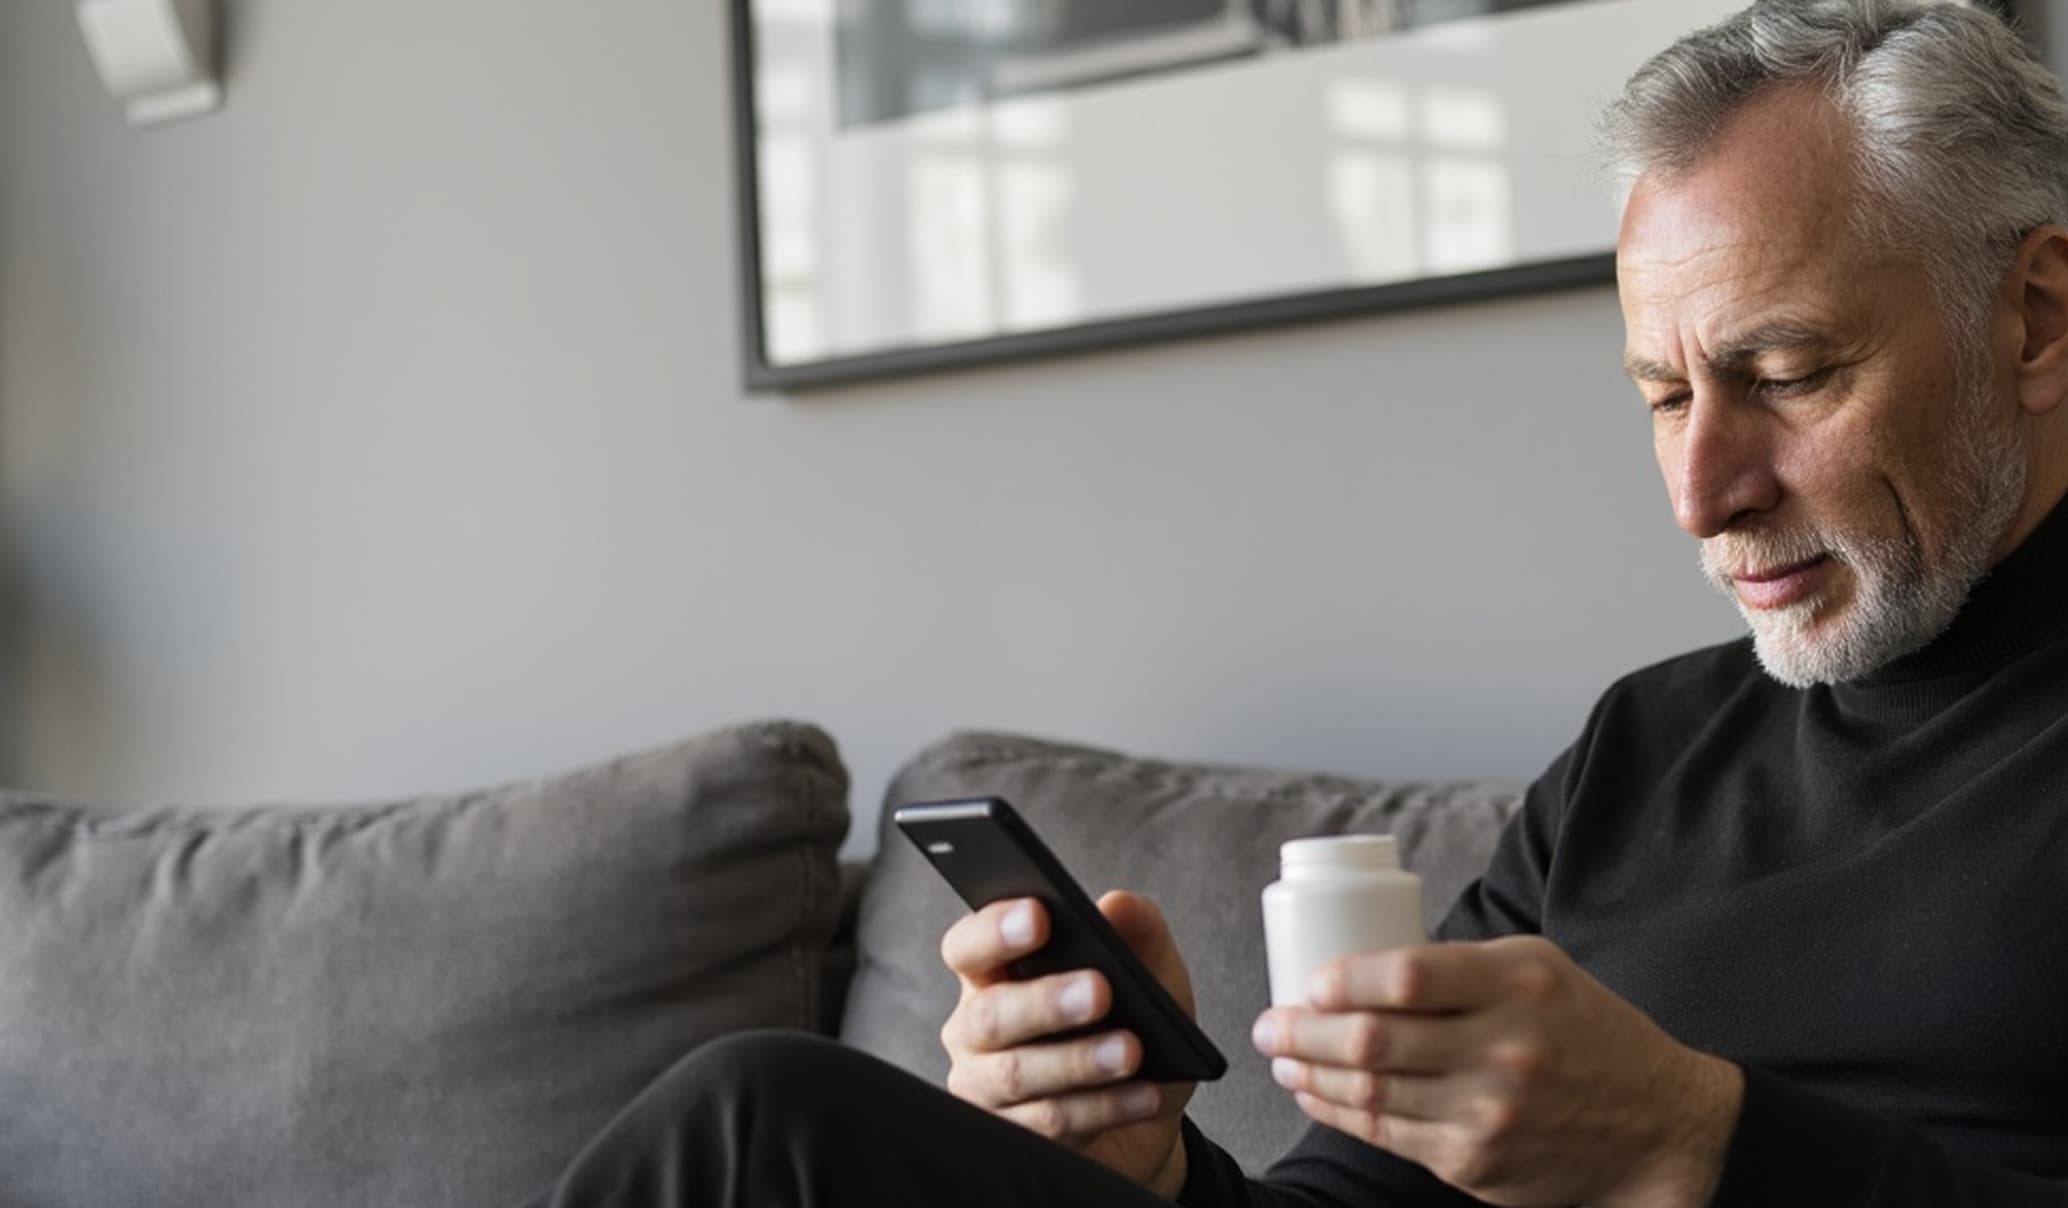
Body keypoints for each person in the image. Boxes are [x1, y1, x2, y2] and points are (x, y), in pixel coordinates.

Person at [520, 1, 2068, 1204]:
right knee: (761, 1130)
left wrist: (1694, 1148)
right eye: (1664, 397)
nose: (1698, 492)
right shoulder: (1646, 753)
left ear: (2036, 318)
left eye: (1786, 375)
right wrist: (1150, 1169)